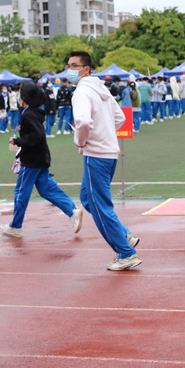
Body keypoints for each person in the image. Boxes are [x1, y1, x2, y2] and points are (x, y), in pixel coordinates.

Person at [66, 51, 140, 271]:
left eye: (74, 65)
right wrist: (105, 133)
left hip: (96, 155)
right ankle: (124, 235)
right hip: (108, 152)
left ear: (86, 69)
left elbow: (83, 121)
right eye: (68, 65)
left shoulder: (81, 92)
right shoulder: (102, 89)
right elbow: (120, 119)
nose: (69, 69)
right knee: (87, 199)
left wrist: (81, 142)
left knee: (99, 205)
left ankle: (126, 253)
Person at [0, 82, 84, 238]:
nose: (18, 96)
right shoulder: (32, 112)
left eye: (19, 93)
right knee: (46, 189)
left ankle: (16, 226)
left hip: (32, 160)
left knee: (20, 192)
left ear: (24, 97)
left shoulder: (28, 115)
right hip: (41, 158)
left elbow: (37, 136)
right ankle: (72, 211)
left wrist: (18, 141)